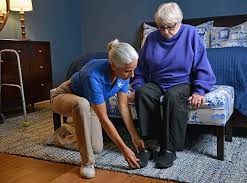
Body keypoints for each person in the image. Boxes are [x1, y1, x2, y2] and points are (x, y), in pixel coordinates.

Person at [130, 2, 216, 169]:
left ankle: (169, 149)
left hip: (183, 82)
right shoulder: (152, 37)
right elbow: (141, 67)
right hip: (157, 81)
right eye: (161, 27)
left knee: (173, 97)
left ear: (179, 22)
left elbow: (201, 64)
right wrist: (138, 84)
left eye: (170, 27)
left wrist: (199, 91)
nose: (165, 32)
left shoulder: (190, 33)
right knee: (143, 92)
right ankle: (150, 144)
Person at [50, 39, 145, 179]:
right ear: (113, 66)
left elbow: (123, 107)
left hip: (90, 103)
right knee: (81, 103)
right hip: (64, 95)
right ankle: (87, 163)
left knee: (96, 148)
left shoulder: (124, 73)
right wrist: (125, 149)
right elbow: (104, 118)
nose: (132, 75)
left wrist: (134, 137)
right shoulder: (93, 75)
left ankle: (59, 136)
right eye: (128, 71)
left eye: (133, 70)